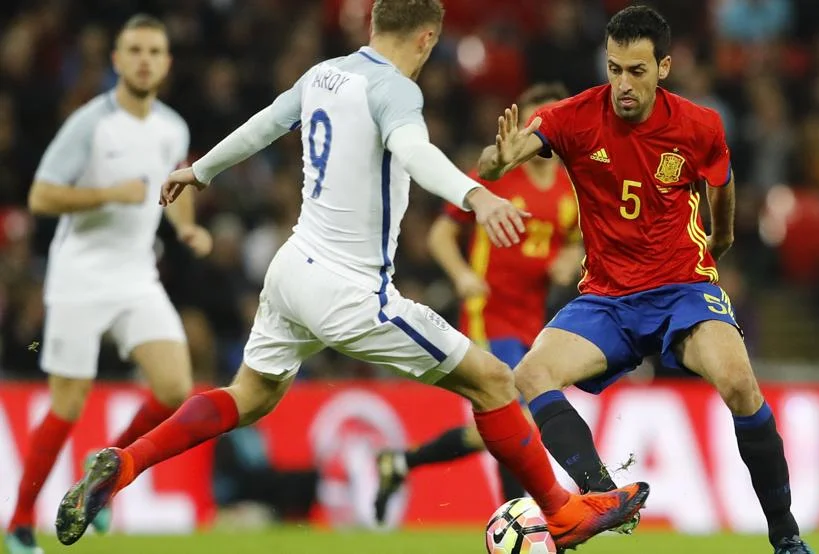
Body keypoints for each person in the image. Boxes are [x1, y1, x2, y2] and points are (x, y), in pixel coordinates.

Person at [54, 1, 648, 550]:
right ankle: (562, 513)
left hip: (291, 269)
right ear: (427, 38)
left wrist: (200, 170)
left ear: (373, 26)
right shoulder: (396, 90)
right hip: (351, 290)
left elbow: (266, 123)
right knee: (494, 381)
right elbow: (415, 153)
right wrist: (476, 196)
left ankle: (125, 462)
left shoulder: (324, 74)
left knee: (249, 396)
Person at [477, 6, 814, 554]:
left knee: (739, 384)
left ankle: (786, 536)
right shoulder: (573, 117)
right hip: (607, 299)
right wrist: (498, 161)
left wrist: (722, 238)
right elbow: (502, 157)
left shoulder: (699, 125)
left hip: (682, 290)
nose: (623, 85)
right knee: (532, 373)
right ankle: (599, 496)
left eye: (636, 71)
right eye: (614, 69)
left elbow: (722, 180)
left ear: (664, 67)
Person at [4, 15, 211, 554]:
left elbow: (172, 184)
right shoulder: (90, 124)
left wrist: (186, 227)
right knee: (67, 404)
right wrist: (107, 194)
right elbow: (41, 195)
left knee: (174, 387)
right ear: (117, 61)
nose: (145, 60)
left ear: (167, 63)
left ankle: (105, 472)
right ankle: (21, 524)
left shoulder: (173, 127)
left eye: (155, 51)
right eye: (134, 50)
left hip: (136, 274)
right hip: (79, 274)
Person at [373, 83, 582, 524]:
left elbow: (578, 240)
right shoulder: (497, 175)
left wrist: (570, 258)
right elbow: (440, 233)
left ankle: (403, 462)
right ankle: (519, 520)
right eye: (534, 121)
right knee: (516, 416)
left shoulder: (572, 189)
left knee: (499, 424)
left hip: (535, 320)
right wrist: (463, 275)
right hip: (489, 314)